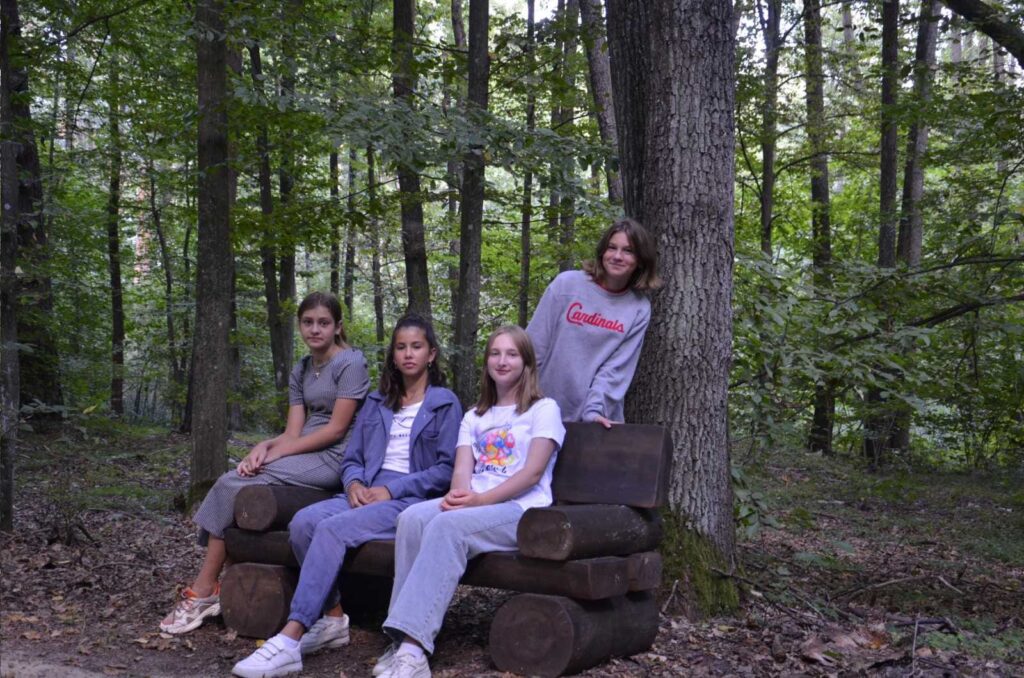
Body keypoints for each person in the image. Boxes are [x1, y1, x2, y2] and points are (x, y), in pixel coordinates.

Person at [231, 314, 461, 678]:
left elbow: (446, 470)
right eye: (401, 347)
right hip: (365, 492)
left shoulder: (444, 404)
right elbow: (352, 459)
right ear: (393, 355)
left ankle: (290, 637)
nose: (408, 354)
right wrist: (353, 485)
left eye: (416, 347)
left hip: (409, 500)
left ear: (431, 354)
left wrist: (391, 490)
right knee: (303, 523)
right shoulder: (377, 402)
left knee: (332, 530)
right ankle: (333, 618)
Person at [160, 292, 371, 635]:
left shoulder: (351, 363)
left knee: (231, 483)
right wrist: (264, 447)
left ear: (337, 327)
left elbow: (335, 430)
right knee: (237, 477)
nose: (315, 329)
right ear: (299, 325)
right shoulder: (302, 368)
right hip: (304, 449)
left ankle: (204, 589)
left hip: (337, 456)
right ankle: (222, 584)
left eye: (323, 323)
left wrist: (278, 455)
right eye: (307, 322)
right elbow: (292, 432)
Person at [374, 326, 565, 678]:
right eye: (495, 353)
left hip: (522, 511)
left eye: (512, 354)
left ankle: (414, 651)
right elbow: (462, 470)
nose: (502, 361)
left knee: (448, 526)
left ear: (526, 362)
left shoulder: (543, 409)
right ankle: (399, 641)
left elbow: (532, 474)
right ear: (487, 361)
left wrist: (479, 501)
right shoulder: (475, 415)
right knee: (412, 518)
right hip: (477, 503)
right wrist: (462, 495)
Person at [526, 217, 661, 427]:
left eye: (628, 251)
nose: (617, 256)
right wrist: (522, 400)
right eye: (612, 248)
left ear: (641, 260)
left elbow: (615, 370)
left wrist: (594, 411)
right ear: (602, 252)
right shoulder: (566, 285)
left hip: (596, 419)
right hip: (542, 411)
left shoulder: (638, 307)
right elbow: (533, 348)